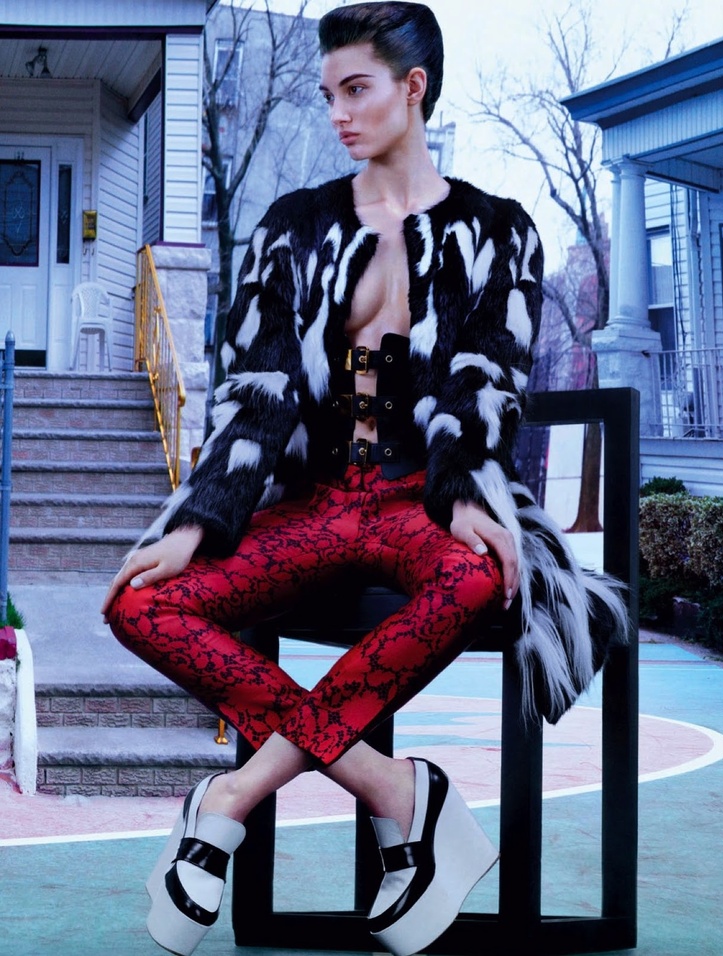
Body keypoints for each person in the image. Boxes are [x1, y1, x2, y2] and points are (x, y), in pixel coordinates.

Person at [102, 4, 628, 955]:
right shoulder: (292, 225)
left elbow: (489, 381)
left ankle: (229, 799)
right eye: (329, 94)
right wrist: (198, 519)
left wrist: (469, 493)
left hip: (415, 498)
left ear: (412, 87)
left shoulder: (497, 230)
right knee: (140, 604)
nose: (339, 113)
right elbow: (255, 392)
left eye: (357, 89)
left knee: (481, 577)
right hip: (312, 503)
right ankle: (397, 792)